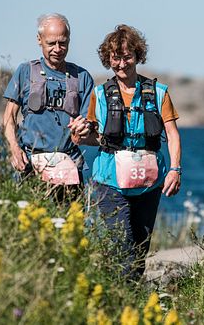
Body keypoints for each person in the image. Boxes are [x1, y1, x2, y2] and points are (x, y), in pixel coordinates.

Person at [70, 24, 182, 279]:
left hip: (149, 184)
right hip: (110, 183)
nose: (121, 64)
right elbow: (94, 139)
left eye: (127, 57)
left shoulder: (159, 93)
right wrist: (78, 135)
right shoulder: (99, 95)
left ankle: (130, 299)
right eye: (115, 58)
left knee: (139, 249)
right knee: (121, 245)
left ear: (138, 56)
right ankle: (120, 301)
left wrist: (175, 169)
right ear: (108, 59)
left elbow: (173, 135)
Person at [3, 13, 94, 200]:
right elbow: (9, 117)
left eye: (63, 43)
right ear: (39, 40)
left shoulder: (82, 77)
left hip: (69, 166)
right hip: (31, 164)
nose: (58, 49)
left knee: (69, 226)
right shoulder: (25, 71)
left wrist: (84, 128)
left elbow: (91, 123)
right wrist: (14, 147)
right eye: (51, 43)